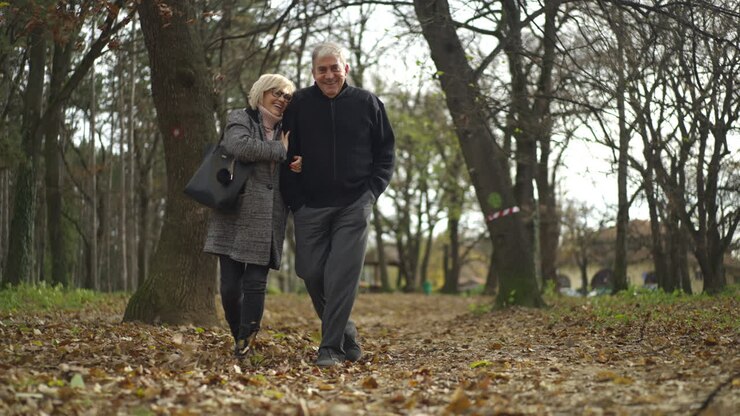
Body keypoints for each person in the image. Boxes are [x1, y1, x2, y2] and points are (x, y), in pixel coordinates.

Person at [281, 42, 395, 367]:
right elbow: (284, 153)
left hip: (353, 204)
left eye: (335, 67)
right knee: (312, 272)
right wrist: (296, 201)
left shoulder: (368, 103)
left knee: (341, 276)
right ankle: (346, 334)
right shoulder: (299, 104)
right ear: (313, 73)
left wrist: (370, 194)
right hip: (310, 206)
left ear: (346, 68)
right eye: (322, 69)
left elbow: (386, 153)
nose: (329, 75)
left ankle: (330, 348)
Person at [204, 74, 301, 358]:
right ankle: (237, 332)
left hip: (270, 213)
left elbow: (294, 159)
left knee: (256, 282)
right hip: (235, 210)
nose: (282, 99)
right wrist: (278, 150)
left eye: (287, 97)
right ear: (261, 92)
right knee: (231, 286)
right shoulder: (241, 118)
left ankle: (246, 339)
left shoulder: (289, 128)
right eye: (277, 93)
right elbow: (239, 146)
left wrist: (296, 162)